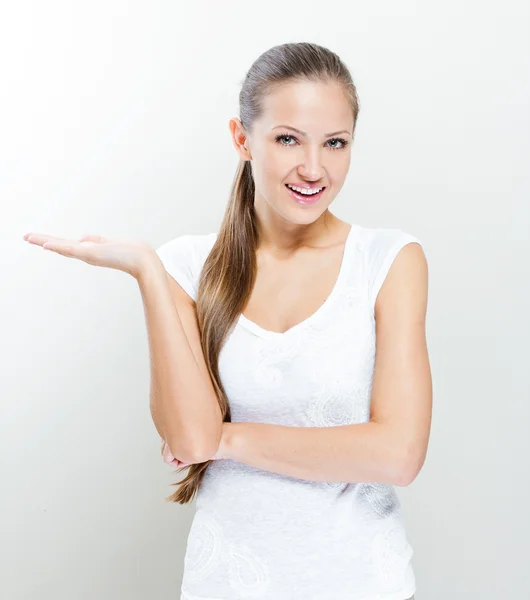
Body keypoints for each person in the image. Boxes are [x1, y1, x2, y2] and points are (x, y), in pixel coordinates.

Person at [23, 42, 430, 600]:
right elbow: (191, 438)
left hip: (362, 583)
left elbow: (398, 455)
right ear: (242, 139)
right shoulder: (186, 267)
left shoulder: (388, 260)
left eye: (335, 143)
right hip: (227, 586)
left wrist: (230, 440)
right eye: (288, 139)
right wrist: (147, 269)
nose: (314, 168)